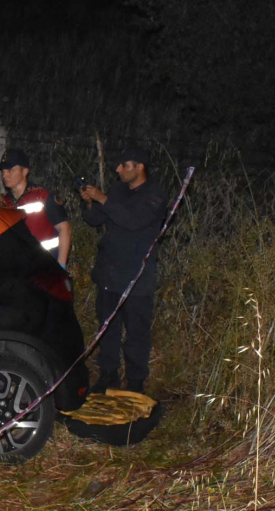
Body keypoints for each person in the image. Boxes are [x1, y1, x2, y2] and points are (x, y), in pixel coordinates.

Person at [79, 147, 167, 394]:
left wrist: (104, 199)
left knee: (137, 333)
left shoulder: (154, 195)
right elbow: (96, 220)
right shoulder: (118, 190)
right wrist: (89, 204)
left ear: (139, 167)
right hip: (109, 274)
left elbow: (133, 221)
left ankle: (136, 382)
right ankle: (108, 375)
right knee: (108, 328)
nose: (117, 169)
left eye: (123, 165)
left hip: (137, 279)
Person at [0, 148, 71, 268]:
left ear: (25, 171)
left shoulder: (43, 197)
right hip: (13, 270)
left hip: (44, 268)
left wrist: (61, 266)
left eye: (11, 170)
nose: (5, 174)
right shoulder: (0, 203)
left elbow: (65, 229)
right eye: (3, 171)